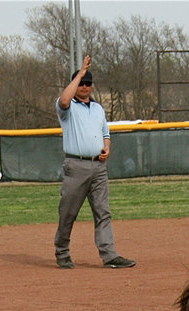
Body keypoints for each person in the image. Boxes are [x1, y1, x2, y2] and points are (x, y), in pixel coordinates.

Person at [53, 55, 134, 269]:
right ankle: (62, 252)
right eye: (81, 83)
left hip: (98, 167)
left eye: (88, 83)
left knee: (103, 211)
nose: (85, 86)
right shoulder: (68, 108)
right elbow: (63, 100)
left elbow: (105, 132)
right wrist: (79, 73)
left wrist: (107, 147)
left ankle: (109, 255)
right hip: (76, 166)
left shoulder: (97, 108)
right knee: (68, 212)